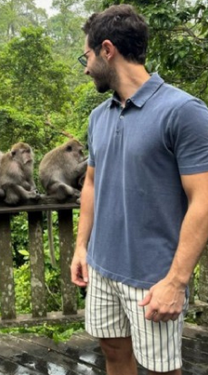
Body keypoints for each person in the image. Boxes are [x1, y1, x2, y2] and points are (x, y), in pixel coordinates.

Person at [70, 4, 208, 375]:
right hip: (101, 268)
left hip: (153, 277)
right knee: (114, 352)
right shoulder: (99, 117)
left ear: (107, 50)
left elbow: (204, 201)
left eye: (86, 55)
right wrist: (82, 247)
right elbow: (92, 183)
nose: (85, 67)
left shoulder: (183, 112)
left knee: (161, 369)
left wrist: (176, 282)